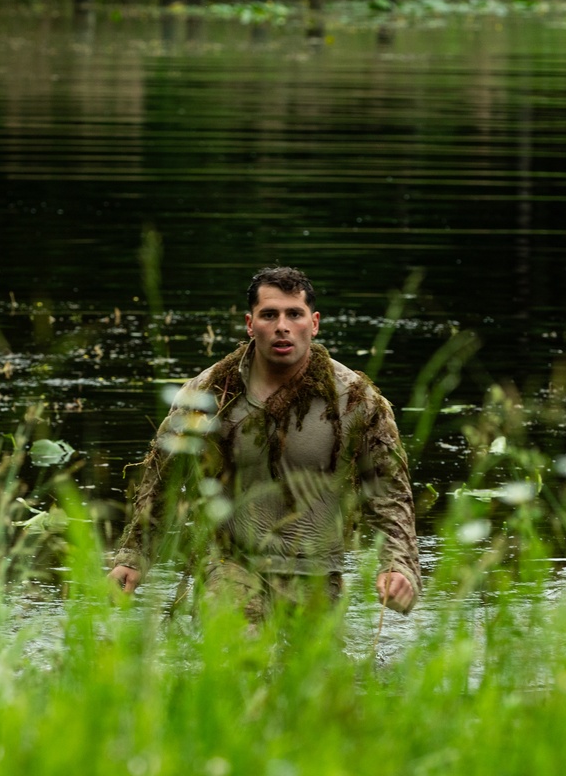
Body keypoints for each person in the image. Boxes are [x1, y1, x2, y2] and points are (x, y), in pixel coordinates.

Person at [109, 266, 420, 622]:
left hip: (315, 574)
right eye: (269, 315)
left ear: (314, 323)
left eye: (294, 314)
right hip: (226, 565)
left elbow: (389, 493)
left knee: (315, 676)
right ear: (250, 323)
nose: (282, 326)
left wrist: (398, 566)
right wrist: (133, 559)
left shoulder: (356, 400)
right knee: (240, 652)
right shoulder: (208, 393)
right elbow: (162, 482)